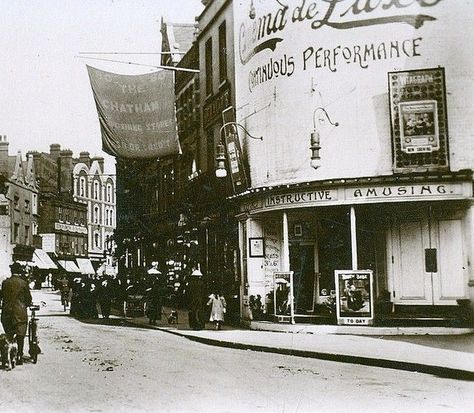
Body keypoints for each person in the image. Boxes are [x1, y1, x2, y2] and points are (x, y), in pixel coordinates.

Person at [0, 262, 33, 365]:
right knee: (20, 335)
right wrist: (27, 304)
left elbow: (1, 296)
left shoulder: (5, 283)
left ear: (11, 271)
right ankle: (19, 355)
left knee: (8, 334)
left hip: (7, 313)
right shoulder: (23, 283)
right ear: (19, 271)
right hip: (20, 313)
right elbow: (28, 298)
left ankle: (8, 354)